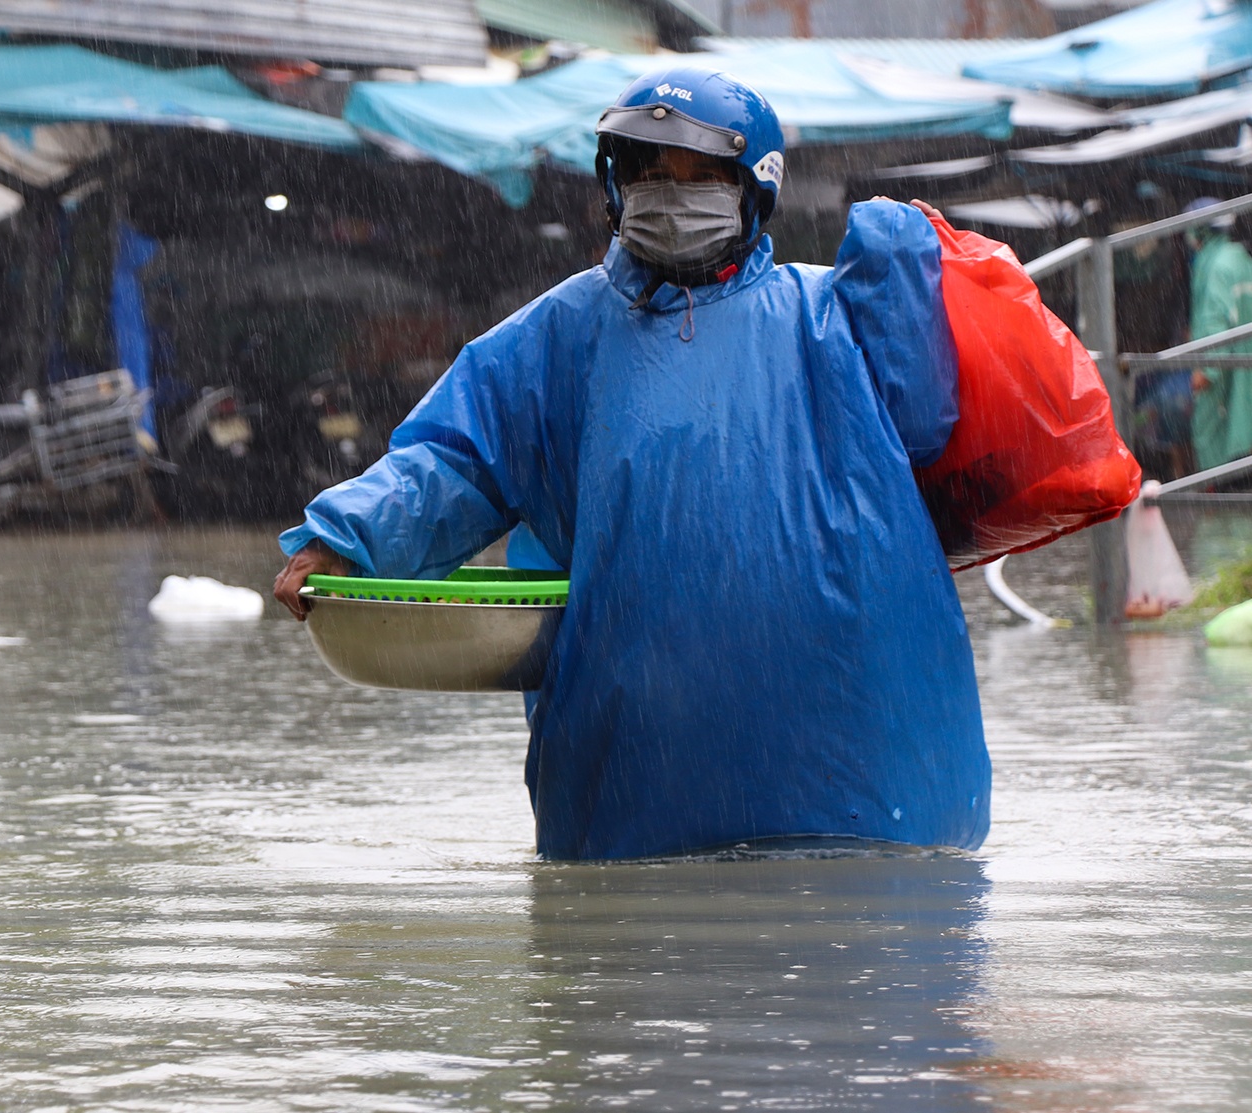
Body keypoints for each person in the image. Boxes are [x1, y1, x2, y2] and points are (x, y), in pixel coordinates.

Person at [272, 66, 990, 860]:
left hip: (868, 775)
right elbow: (450, 460)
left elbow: (934, 433)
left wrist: (905, 270)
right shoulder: (559, 335)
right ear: (614, 186)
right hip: (638, 787)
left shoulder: (839, 316)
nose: (668, 191)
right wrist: (342, 539)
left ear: (753, 186)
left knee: (877, 963)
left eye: (698, 174)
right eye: (647, 171)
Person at [1186, 198, 1252, 471]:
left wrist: (1207, 370)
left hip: (1224, 371)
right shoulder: (1239, 257)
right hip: (1242, 365)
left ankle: (1221, 499)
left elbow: (1215, 321)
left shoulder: (1214, 266)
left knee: (1216, 443)